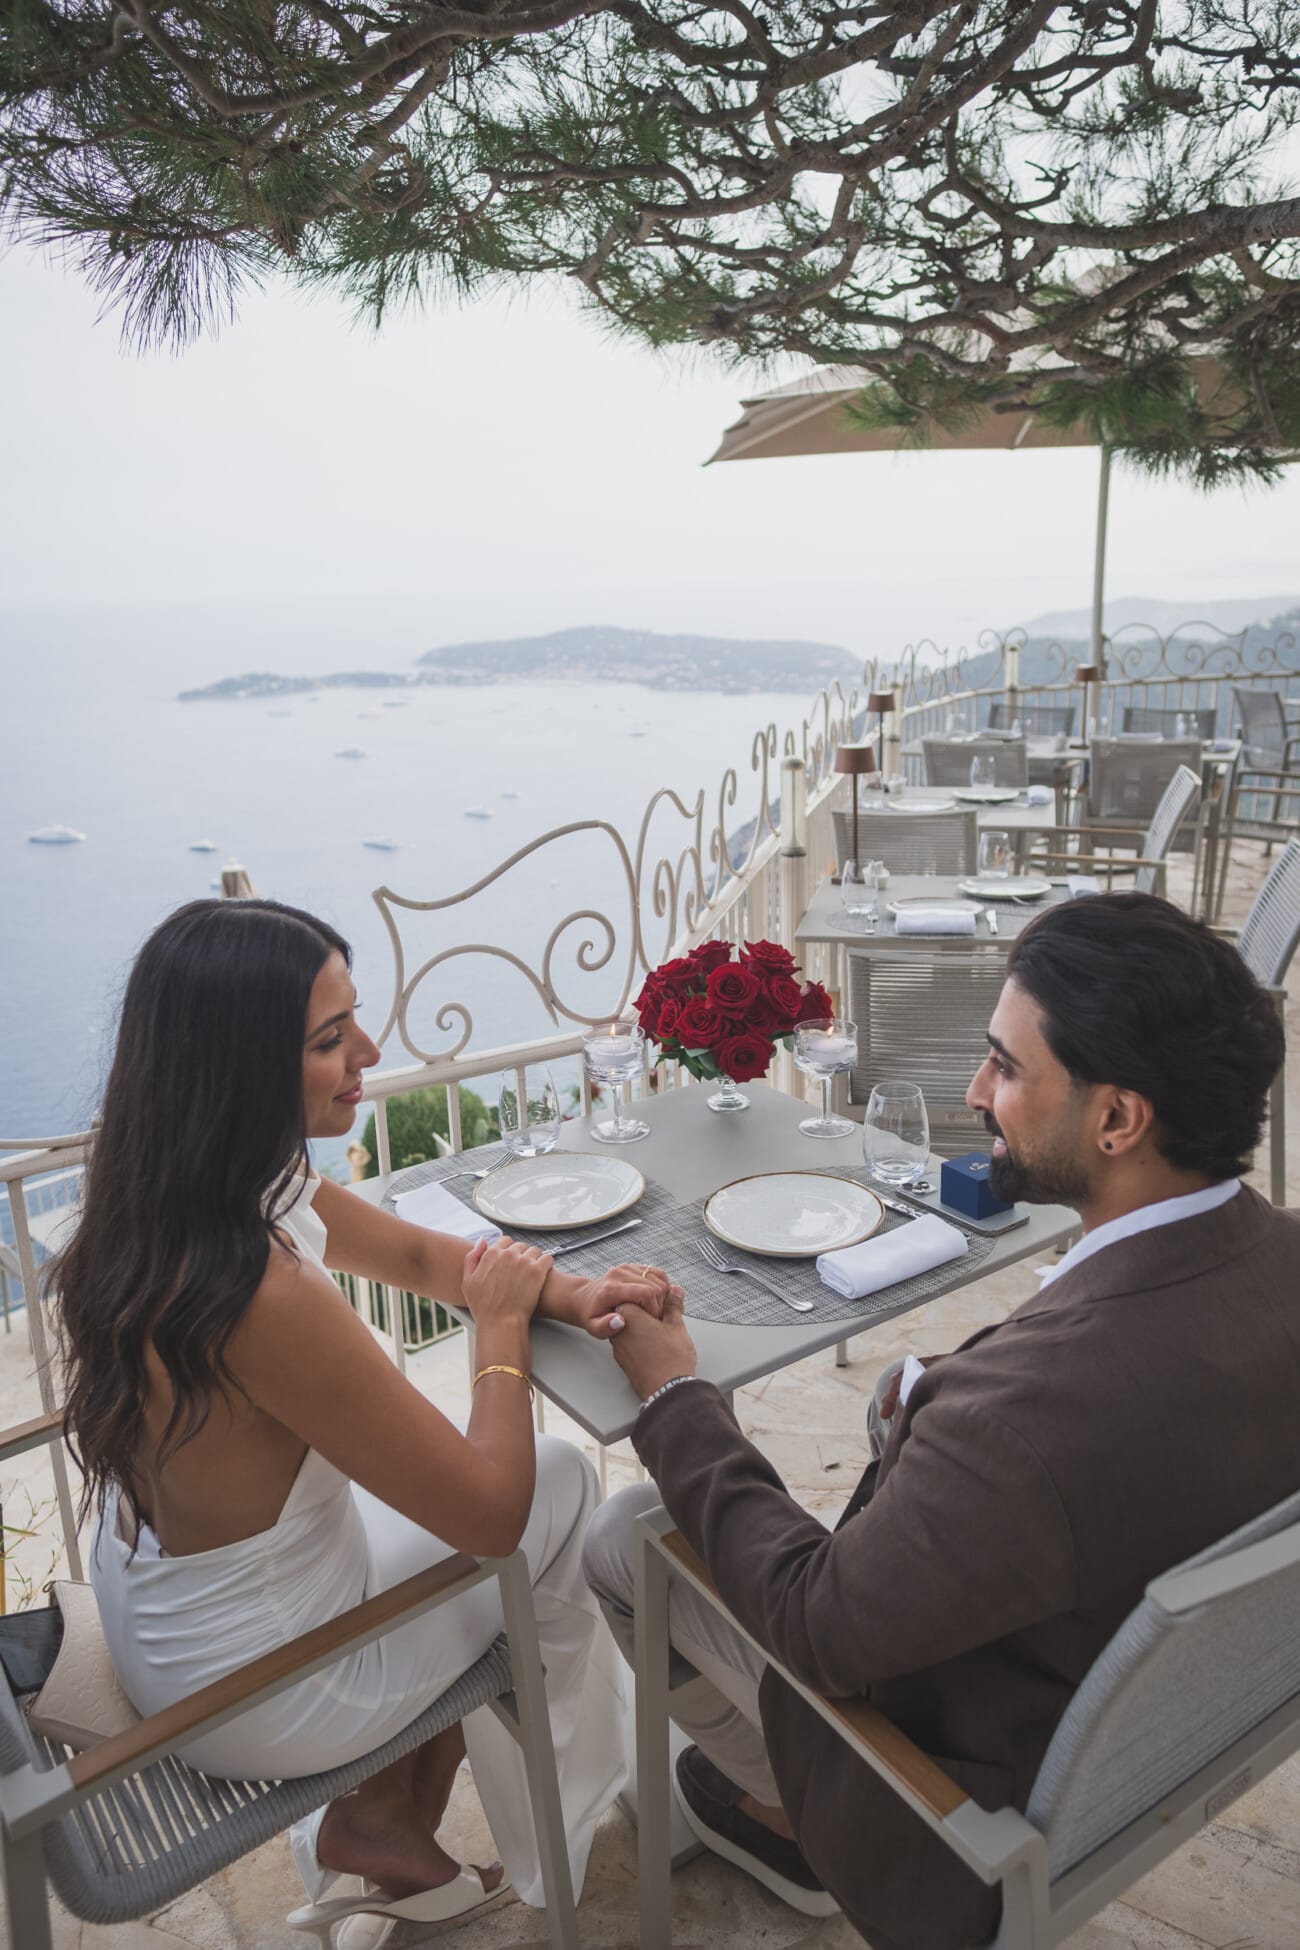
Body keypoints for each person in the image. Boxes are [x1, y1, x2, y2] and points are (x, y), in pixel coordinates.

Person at [583, 892, 1300, 1950]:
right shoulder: (1269, 1261)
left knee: (620, 1534)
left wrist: (674, 1396)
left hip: (942, 1809)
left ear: (1116, 1119)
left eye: (1006, 1068)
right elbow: (1091, 1406)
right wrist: (933, 1405)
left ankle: (795, 1823)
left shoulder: (1021, 1432)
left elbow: (818, 1622)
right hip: (1124, 1731)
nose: (976, 1093)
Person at [54, 897, 678, 1948]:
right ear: (243, 1066)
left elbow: (424, 1257)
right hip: (254, 1686)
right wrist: (498, 1337)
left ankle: (385, 1821)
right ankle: (564, 1837)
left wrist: (558, 1293)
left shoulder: (178, 1191)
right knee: (556, 1493)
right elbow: (487, 1511)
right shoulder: (254, 1291)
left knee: (506, 1511)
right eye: (329, 1038)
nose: (370, 1051)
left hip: (170, 1602)